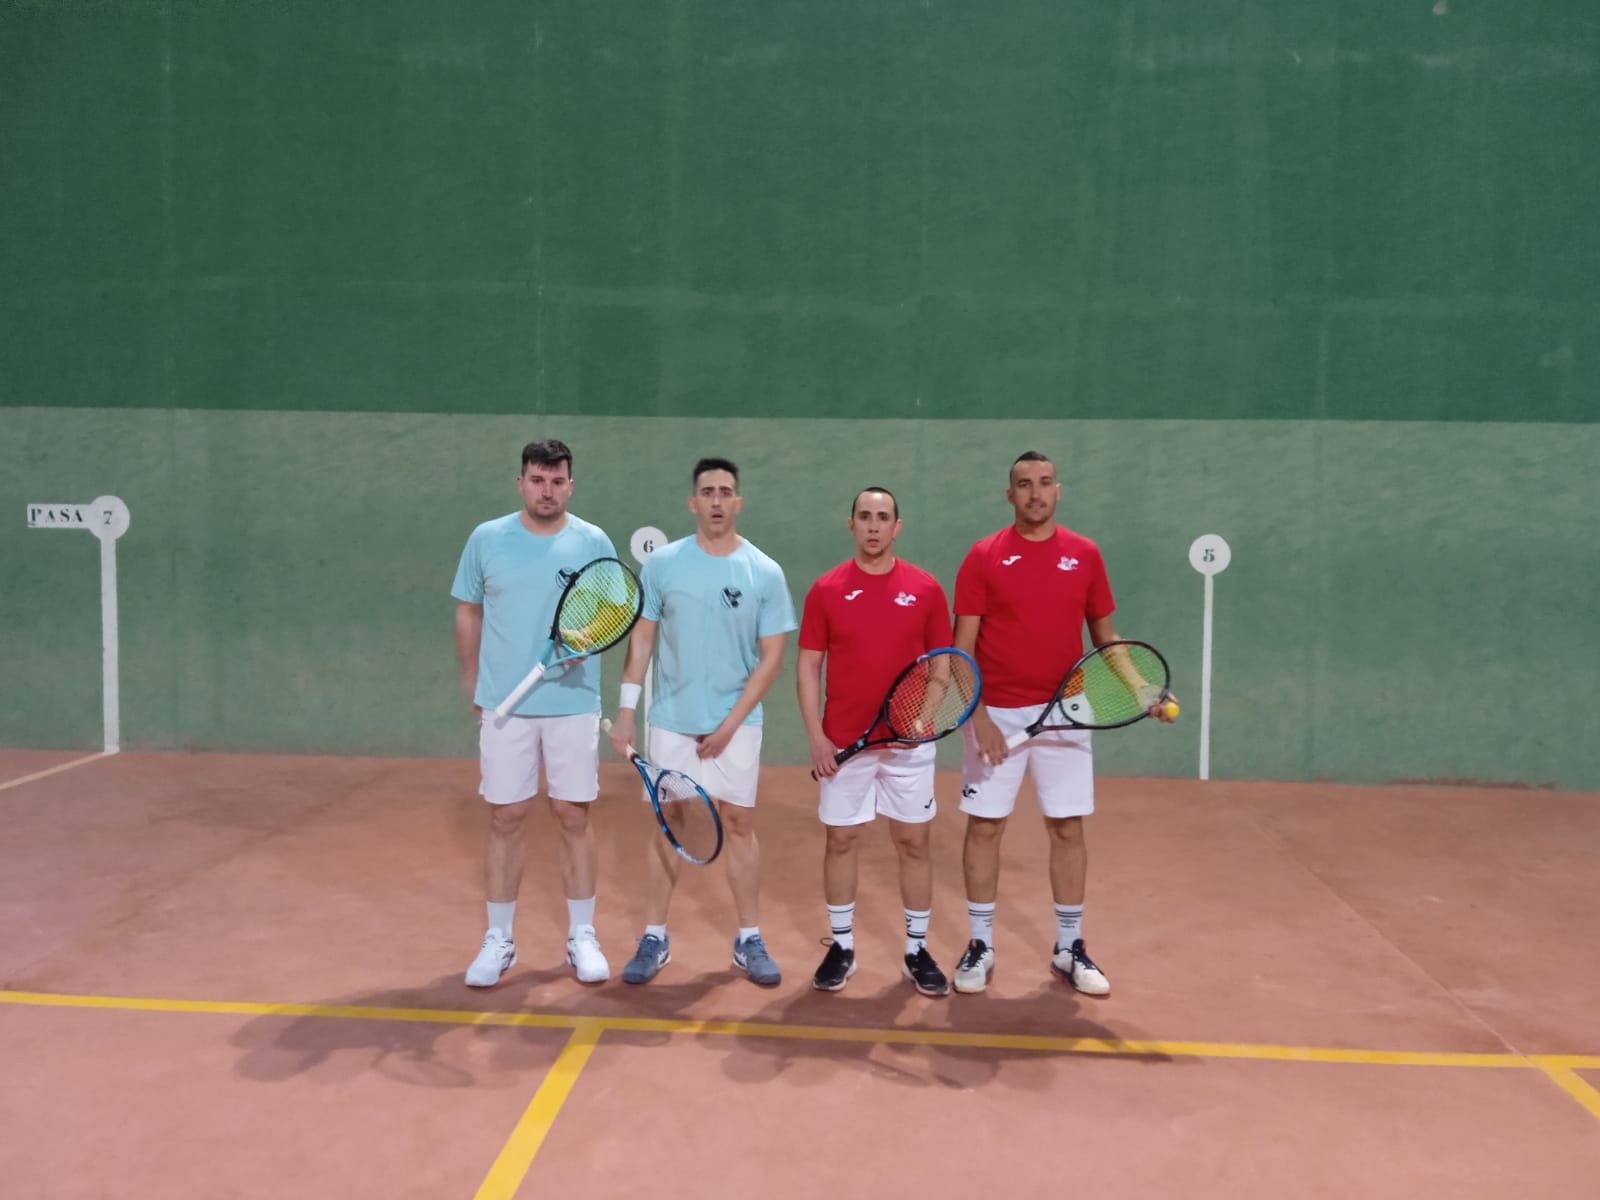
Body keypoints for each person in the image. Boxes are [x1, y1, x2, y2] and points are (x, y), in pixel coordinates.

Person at [950, 451, 1178, 997]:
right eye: (1024, 484)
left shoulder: (1084, 555)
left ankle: (1069, 947)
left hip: (1068, 712)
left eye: (1045, 482)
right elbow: (961, 649)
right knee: (985, 827)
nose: (1036, 492)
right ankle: (980, 943)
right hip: (998, 713)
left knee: (1067, 826)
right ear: (1010, 495)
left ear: (1059, 491)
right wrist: (977, 715)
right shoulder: (983, 556)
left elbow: (1106, 636)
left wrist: (1143, 691)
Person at [607, 457, 796, 986]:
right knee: (670, 823)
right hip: (671, 721)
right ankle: (654, 936)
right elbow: (642, 640)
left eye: (725, 492)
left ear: (739, 502)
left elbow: (772, 658)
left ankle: (749, 938)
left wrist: (730, 724)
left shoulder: (764, 571)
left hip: (737, 725)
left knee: (738, 825)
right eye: (708, 492)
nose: (717, 500)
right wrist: (626, 711)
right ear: (693, 502)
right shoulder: (663, 565)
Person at [452, 439, 617, 988]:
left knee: (573, 815)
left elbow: (613, 609)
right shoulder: (486, 539)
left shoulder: (592, 541)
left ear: (571, 485)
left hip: (573, 703)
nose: (547, 491)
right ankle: (498, 940)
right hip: (507, 706)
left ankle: (582, 936)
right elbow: (469, 610)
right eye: (538, 480)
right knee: (506, 817)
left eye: (557, 481)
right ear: (521, 482)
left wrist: (587, 639)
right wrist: (473, 683)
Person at [797, 487, 955, 996]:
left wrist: (921, 721)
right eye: (864, 516)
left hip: (908, 748)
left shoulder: (926, 590)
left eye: (882, 517)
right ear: (851, 525)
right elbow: (808, 666)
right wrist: (817, 737)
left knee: (914, 843)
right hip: (845, 744)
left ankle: (916, 950)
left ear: (896, 527)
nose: (873, 525)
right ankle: (842, 947)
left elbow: (942, 668)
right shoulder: (826, 590)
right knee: (841, 840)